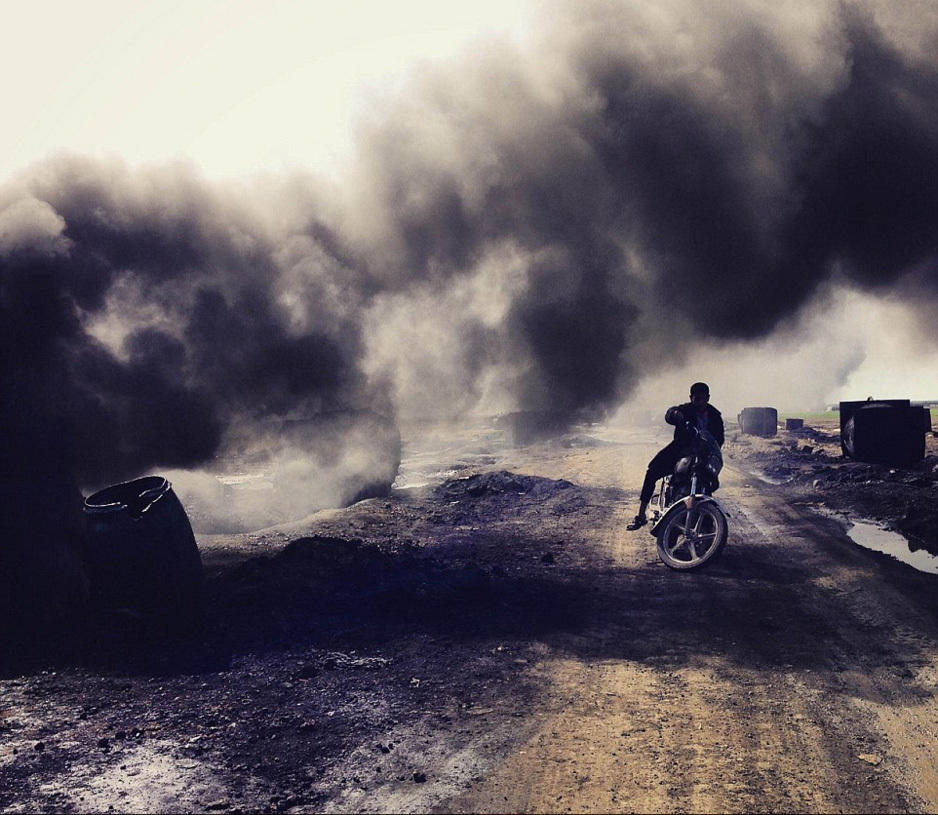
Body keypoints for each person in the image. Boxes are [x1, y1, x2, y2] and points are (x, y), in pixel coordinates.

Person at [626, 382, 724, 530]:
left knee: (710, 482)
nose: (699, 402)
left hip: (703, 455)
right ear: (691, 398)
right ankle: (640, 515)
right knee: (652, 471)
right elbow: (669, 414)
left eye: (702, 398)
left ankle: (707, 519)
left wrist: (712, 452)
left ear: (708, 398)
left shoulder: (715, 416)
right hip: (681, 450)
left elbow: (719, 439)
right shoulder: (685, 410)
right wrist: (675, 414)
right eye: (696, 399)